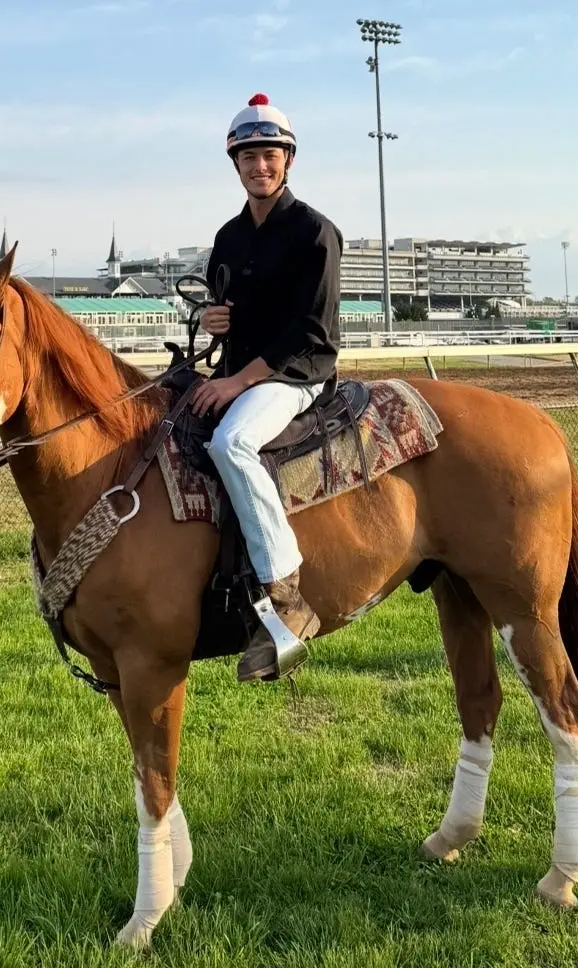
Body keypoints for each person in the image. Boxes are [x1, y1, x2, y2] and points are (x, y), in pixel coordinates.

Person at [190, 92, 344, 682]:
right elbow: (222, 308)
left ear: (288, 161)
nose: (261, 166)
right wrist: (212, 319)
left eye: (270, 155)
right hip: (239, 372)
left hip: (298, 376)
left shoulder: (315, 232)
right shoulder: (228, 238)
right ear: (236, 164)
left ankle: (286, 597)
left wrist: (235, 382)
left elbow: (310, 331)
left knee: (232, 443)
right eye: (249, 157)